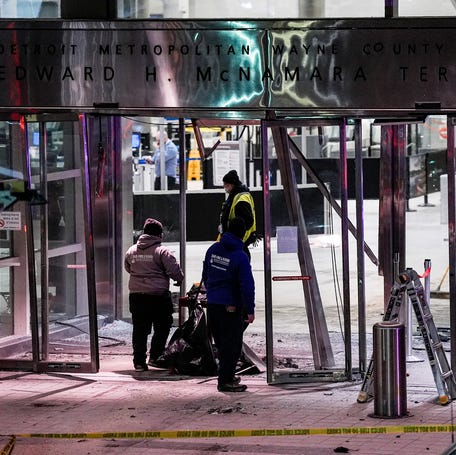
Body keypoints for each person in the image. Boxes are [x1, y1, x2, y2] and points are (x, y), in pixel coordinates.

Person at [202, 217, 255, 392]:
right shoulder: (240, 256)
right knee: (231, 345)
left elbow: (206, 275)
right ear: (243, 233)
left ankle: (227, 376)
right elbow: (247, 285)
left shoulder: (213, 249)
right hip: (230, 306)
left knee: (221, 343)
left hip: (213, 304)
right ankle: (225, 381)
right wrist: (249, 309)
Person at [124, 218, 184, 372]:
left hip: (137, 296)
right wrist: (178, 279)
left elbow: (128, 267)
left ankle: (139, 362)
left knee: (139, 329)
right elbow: (174, 270)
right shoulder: (162, 251)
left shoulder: (131, 250)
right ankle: (156, 357)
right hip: (158, 296)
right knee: (162, 326)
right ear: (160, 235)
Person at [219, 169, 259, 261]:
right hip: (234, 240)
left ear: (232, 185)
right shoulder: (235, 195)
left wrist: (229, 226)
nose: (224, 187)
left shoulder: (241, 199)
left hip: (239, 240)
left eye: (226, 185)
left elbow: (247, 221)